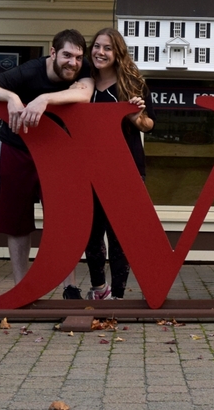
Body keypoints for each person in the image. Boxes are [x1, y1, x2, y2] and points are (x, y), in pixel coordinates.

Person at [0, 29, 95, 298]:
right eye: (67, 55)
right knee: (16, 221)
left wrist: (44, 98)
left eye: (78, 57)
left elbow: (84, 94)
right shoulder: (29, 71)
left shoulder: (83, 71)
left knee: (63, 219)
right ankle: (21, 287)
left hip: (59, 153)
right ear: (53, 53)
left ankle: (69, 287)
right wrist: (11, 97)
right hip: (17, 150)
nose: (73, 62)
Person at [82, 27, 154, 300]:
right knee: (91, 233)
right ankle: (99, 288)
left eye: (107, 48)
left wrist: (137, 114)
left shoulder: (133, 85)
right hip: (90, 169)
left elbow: (148, 126)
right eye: (97, 46)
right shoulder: (83, 84)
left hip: (125, 170)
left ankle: (119, 295)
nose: (101, 52)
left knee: (119, 234)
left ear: (117, 53)